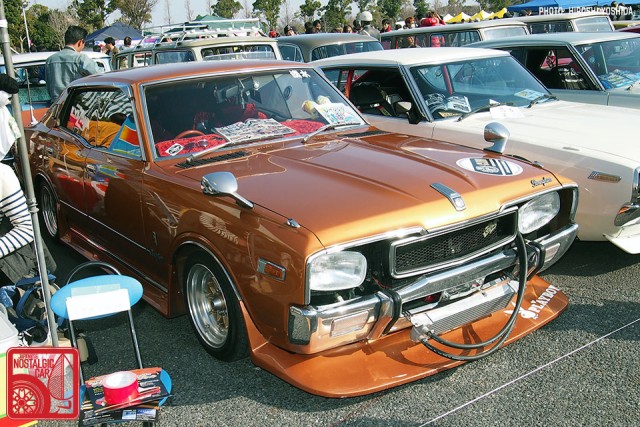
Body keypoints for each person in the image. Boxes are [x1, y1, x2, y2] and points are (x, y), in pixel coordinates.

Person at [45, 25, 101, 100]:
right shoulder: (81, 59)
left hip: (57, 104)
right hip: (77, 104)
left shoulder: (50, 60)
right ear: (80, 42)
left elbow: (49, 87)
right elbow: (101, 75)